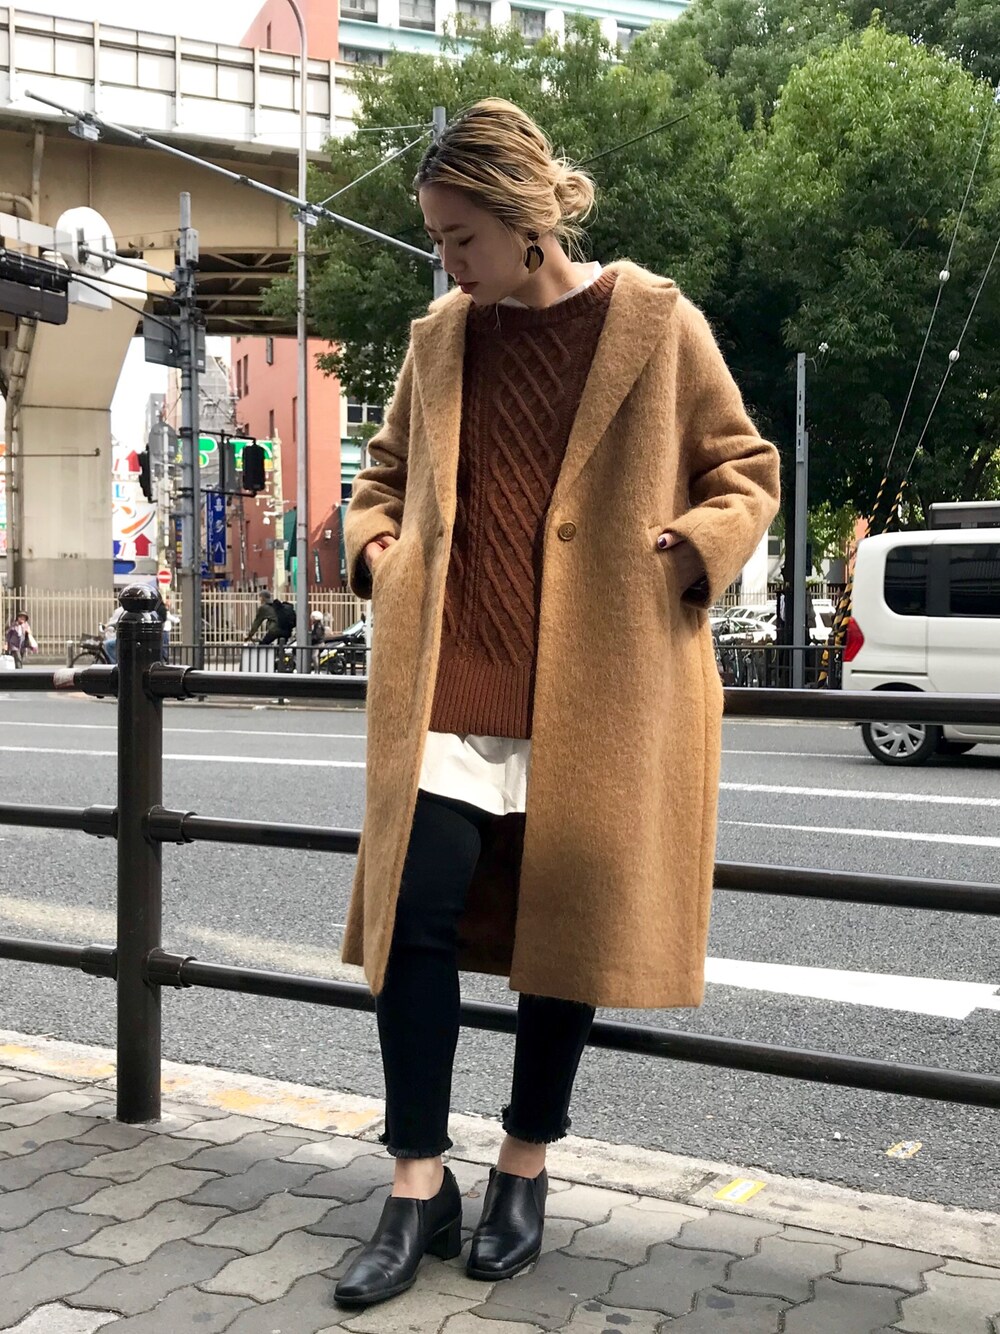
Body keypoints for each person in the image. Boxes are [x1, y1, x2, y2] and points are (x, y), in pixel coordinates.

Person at [336, 98, 780, 1309]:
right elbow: (380, 478)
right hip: (451, 676)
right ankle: (416, 1182)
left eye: (460, 237)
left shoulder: (654, 321)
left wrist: (692, 548)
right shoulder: (440, 339)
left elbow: (744, 467)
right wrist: (378, 551)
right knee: (412, 917)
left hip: (596, 687)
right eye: (437, 238)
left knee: (563, 930)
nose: (447, 261)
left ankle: (523, 1166)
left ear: (525, 221)